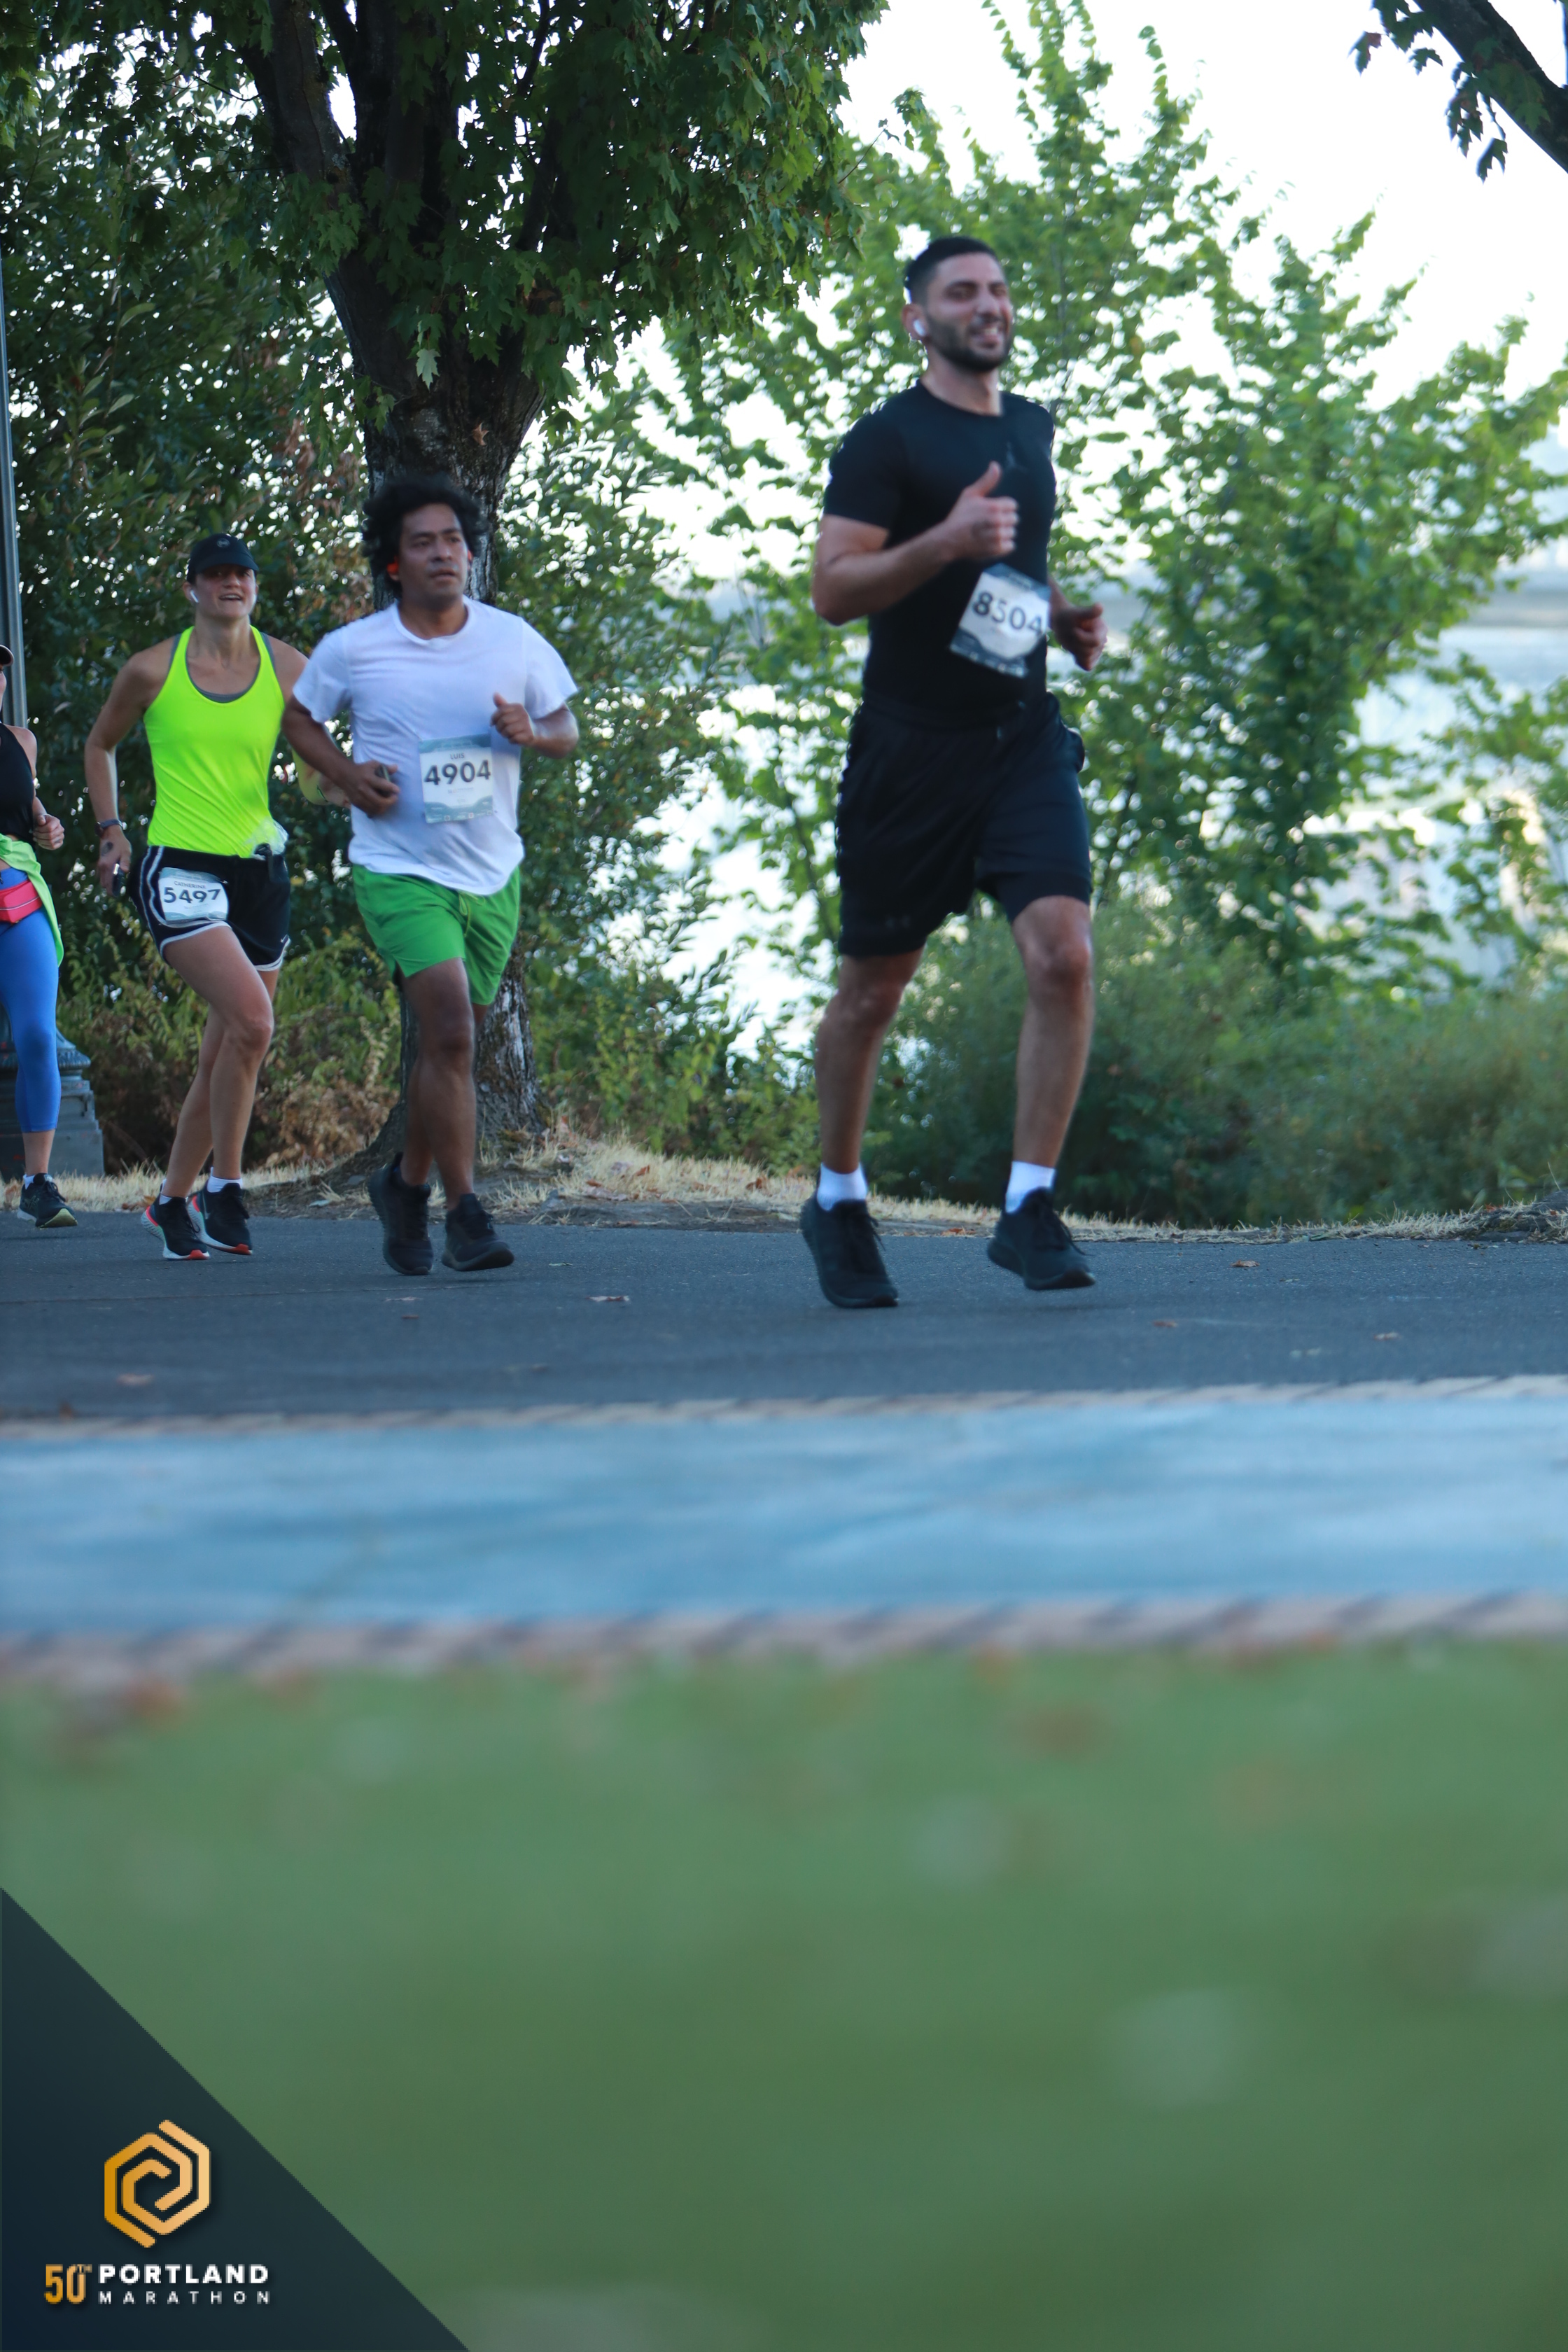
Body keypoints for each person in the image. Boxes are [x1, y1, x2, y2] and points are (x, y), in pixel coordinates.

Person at [801, 235, 1108, 1310]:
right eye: (962, 292)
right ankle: (838, 1198)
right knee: (872, 995)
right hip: (911, 753)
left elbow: (1012, 562)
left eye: (999, 289)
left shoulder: (1030, 428)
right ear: (918, 319)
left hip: (1020, 738)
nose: (989, 305)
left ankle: (1029, 1205)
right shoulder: (885, 440)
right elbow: (833, 590)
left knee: (1064, 955)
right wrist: (946, 539)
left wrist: (1058, 614)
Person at [281, 475, 578, 1277]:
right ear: (394, 561)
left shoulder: (512, 639)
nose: (443, 553)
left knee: (455, 1048)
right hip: (399, 868)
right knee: (448, 1033)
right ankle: (465, 1212)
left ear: (469, 553)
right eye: (423, 542)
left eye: (453, 539)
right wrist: (347, 776)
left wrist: (532, 730)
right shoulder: (356, 648)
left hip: (491, 873)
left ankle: (404, 1183)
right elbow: (299, 717)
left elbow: (565, 726)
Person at [85, 534, 308, 1259]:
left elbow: (317, 759)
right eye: (215, 575)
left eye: (241, 573)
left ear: (255, 585)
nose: (230, 584)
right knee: (253, 1021)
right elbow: (100, 744)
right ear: (193, 589)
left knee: (227, 1052)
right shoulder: (152, 669)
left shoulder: (288, 666)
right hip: (180, 867)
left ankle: (169, 1203)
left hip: (261, 874)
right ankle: (226, 1188)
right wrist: (112, 830)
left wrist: (348, 786)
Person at [1, 640, 76, 1230]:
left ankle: (38, 1183)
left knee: (36, 1035)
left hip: (18, 893)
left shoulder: (20, 741)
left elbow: (33, 812)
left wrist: (48, 826)